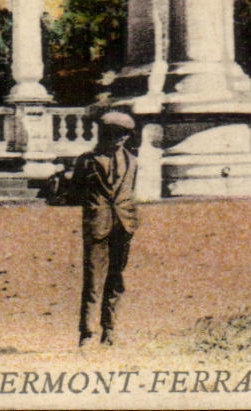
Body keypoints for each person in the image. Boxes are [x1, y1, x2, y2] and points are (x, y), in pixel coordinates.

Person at [70, 110, 139, 346]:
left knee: (116, 279)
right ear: (103, 134)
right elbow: (75, 192)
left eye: (124, 135)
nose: (119, 139)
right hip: (97, 225)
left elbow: (129, 192)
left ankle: (109, 331)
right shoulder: (87, 160)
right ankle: (87, 334)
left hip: (124, 225)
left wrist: (129, 217)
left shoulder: (132, 161)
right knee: (93, 281)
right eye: (114, 134)